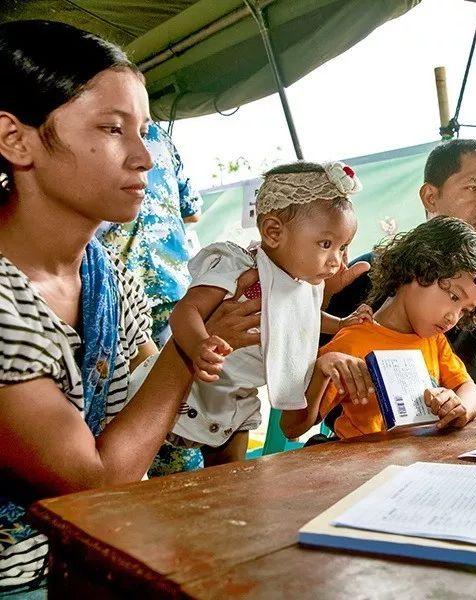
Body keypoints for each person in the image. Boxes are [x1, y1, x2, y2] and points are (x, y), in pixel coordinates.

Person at [0, 21, 260, 594]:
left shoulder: (105, 276)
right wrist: (189, 349)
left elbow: (144, 412)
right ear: (16, 140)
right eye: (112, 129)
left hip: (87, 556)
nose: (145, 157)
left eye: (144, 132)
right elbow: (97, 480)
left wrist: (257, 359)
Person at [128, 162, 372, 466]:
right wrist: (199, 345)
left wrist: (341, 324)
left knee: (232, 475)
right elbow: (185, 311)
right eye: (326, 244)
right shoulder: (238, 266)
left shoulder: (304, 286)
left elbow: (303, 318)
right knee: (150, 471)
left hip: (235, 402)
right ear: (273, 232)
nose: (337, 260)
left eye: (343, 247)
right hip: (186, 392)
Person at [327, 139, 476, 421]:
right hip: (371, 453)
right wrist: (314, 300)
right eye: (473, 188)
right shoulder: (368, 271)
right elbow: (302, 386)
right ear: (430, 197)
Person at [281, 217, 476, 440]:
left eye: (465, 310)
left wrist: (460, 406)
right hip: (360, 468)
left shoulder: (433, 341)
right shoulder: (352, 342)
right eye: (454, 296)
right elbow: (292, 428)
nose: (453, 317)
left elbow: (469, 388)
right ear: (419, 269)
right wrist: (322, 370)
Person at [96, 120, 202, 347]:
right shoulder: (159, 137)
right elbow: (192, 212)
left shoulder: (95, 134)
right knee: (195, 372)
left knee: (141, 379)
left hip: (122, 296)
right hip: (176, 285)